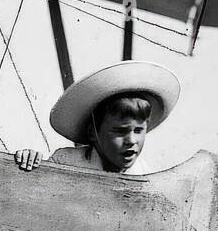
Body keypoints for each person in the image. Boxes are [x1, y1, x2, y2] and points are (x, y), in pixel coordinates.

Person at [12, 61, 180, 174]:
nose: (131, 140)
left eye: (138, 130)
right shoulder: (66, 163)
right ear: (93, 132)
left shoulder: (145, 175)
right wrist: (29, 161)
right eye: (120, 131)